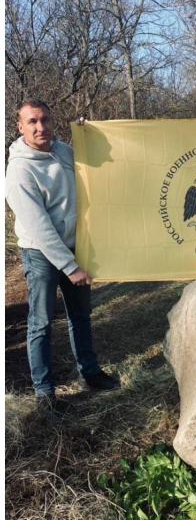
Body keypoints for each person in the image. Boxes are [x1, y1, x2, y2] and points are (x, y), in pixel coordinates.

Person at [5, 99, 119, 416]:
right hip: (41, 253)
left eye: (46, 120)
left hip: (74, 245)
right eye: (32, 122)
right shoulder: (18, 171)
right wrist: (70, 267)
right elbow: (39, 227)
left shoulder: (63, 152)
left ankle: (90, 373)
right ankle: (45, 394)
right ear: (20, 126)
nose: (41, 128)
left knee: (80, 316)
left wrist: (90, 133)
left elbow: (96, 161)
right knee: (40, 323)